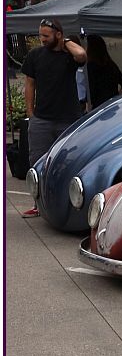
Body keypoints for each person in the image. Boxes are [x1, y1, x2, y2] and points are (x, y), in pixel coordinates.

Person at [22, 18, 86, 217]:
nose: (42, 39)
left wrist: (65, 41)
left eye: (46, 35)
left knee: (69, 162)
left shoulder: (68, 56)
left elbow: (81, 54)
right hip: (42, 119)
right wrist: (30, 113)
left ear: (58, 34)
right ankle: (38, 204)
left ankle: (68, 204)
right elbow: (30, 84)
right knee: (37, 162)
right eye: (40, 35)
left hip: (68, 119)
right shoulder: (35, 56)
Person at [85, 34, 122, 107]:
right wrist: (116, 98)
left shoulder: (91, 66)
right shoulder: (111, 65)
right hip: (112, 105)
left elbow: (91, 91)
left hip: (99, 107)